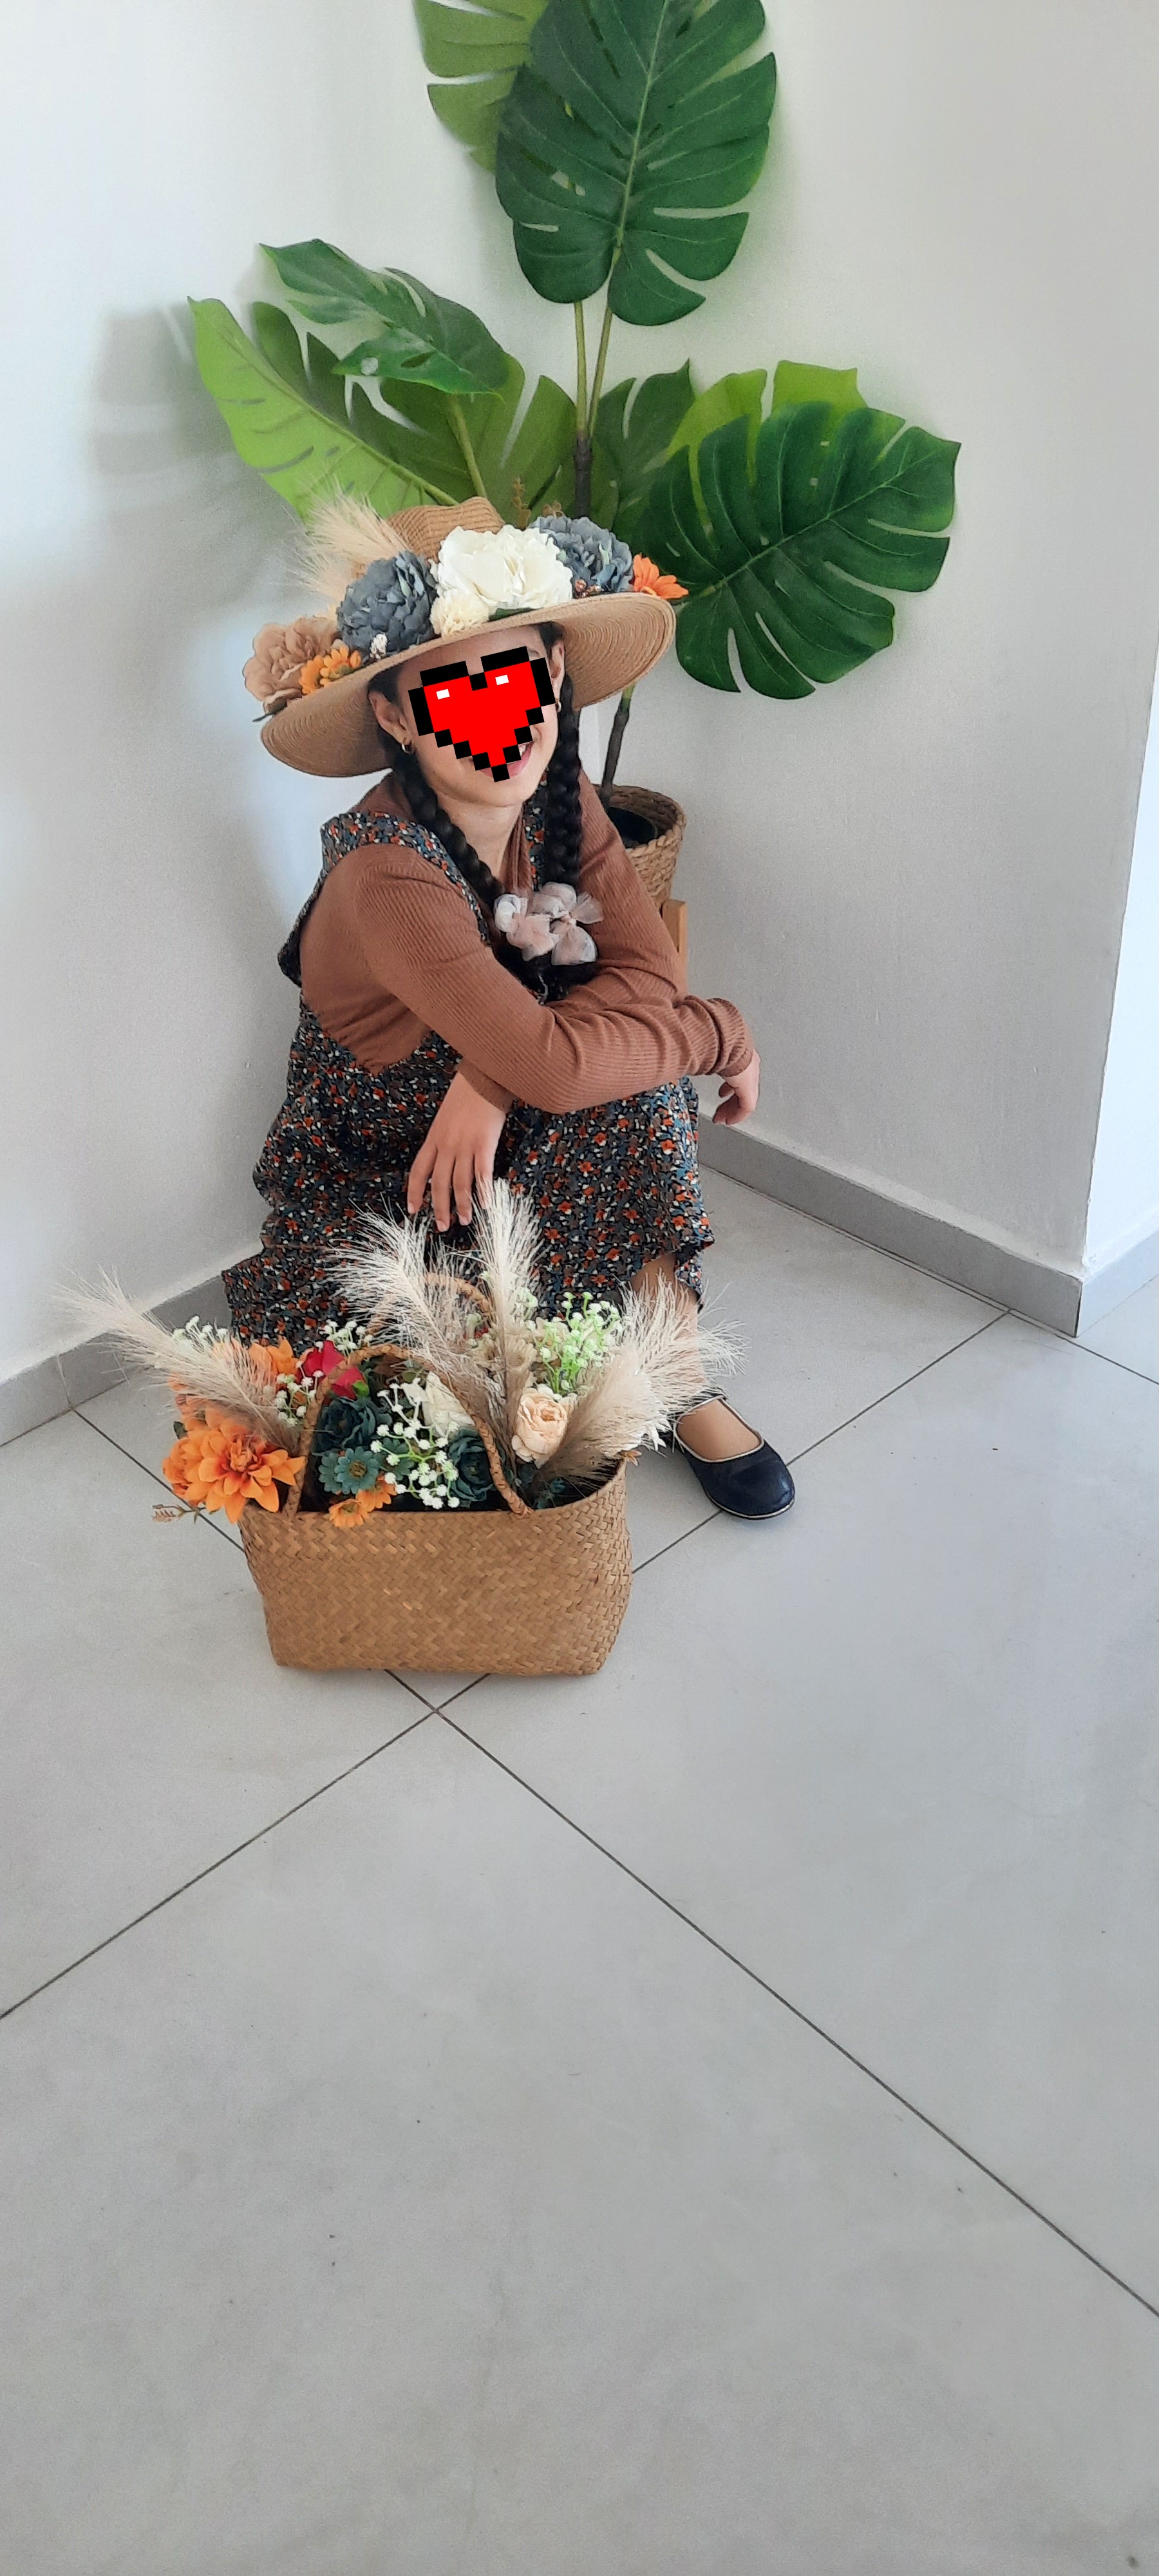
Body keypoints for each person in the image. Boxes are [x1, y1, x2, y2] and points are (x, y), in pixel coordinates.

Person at [225, 498, 793, 1520]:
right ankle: (567, 1359)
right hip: (398, 1161)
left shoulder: (555, 794)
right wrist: (720, 1033)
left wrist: (493, 1079)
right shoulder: (386, 871)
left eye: (515, 681)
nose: (497, 719)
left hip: (504, 1108)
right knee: (428, 1424)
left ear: (554, 674)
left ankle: (677, 1371)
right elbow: (578, 1055)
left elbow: (644, 980)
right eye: (456, 694)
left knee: (629, 1071)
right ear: (398, 718)